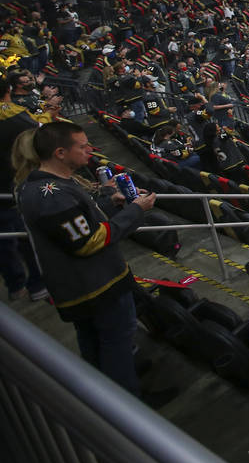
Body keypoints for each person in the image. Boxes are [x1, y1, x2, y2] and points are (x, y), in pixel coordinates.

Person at [16, 121, 157, 395]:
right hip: (95, 287)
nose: (89, 152)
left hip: (80, 286)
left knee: (95, 343)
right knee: (115, 341)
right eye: (82, 147)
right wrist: (136, 211)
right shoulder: (51, 196)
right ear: (60, 152)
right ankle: (128, 404)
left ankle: (109, 389)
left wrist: (109, 204)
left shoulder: (43, 186)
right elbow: (87, 241)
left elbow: (79, 224)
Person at [0, 75, 45, 301]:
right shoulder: (14, 115)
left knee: (4, 241)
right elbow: (40, 133)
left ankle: (16, 285)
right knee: (27, 235)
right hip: (13, 184)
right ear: (8, 90)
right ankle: (37, 284)